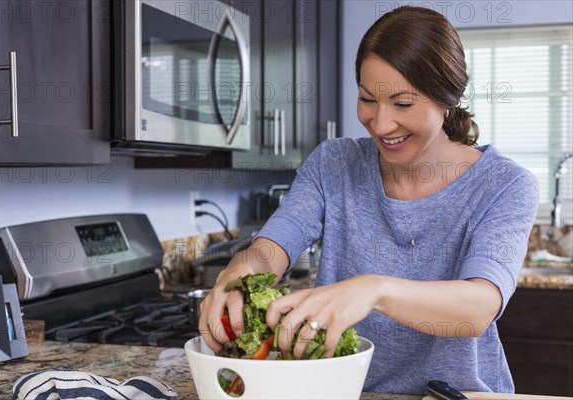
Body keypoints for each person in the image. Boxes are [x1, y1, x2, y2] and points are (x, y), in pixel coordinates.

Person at [198, 5, 539, 395]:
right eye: (367, 99)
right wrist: (238, 276)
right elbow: (274, 245)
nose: (381, 123)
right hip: (343, 391)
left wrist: (374, 290)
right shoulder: (334, 162)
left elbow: (478, 307)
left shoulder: (504, 184)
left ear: (449, 98)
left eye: (403, 103)